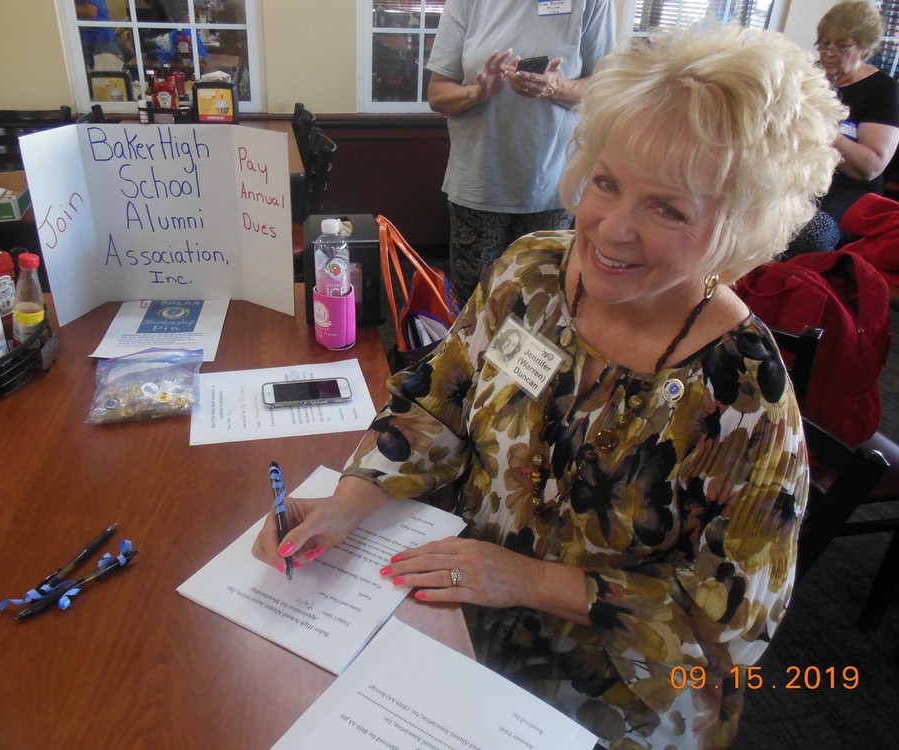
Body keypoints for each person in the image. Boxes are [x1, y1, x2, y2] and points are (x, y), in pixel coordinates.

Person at [254, 24, 845, 750]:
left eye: (668, 209)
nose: (610, 230)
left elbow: (730, 629)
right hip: (451, 607)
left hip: (608, 687)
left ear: (740, 227)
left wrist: (527, 581)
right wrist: (348, 502)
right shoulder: (531, 273)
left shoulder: (745, 397)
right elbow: (437, 400)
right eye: (607, 181)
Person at [425, 0, 616, 306]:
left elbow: (606, 90)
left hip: (552, 188)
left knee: (538, 308)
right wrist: (478, 92)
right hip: (478, 185)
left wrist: (556, 87)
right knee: (474, 305)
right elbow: (437, 94)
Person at [788, 0, 899, 255]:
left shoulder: (882, 89)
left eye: (842, 45)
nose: (829, 53)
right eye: (824, 44)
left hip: (848, 188)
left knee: (809, 232)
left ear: (864, 47)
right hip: (800, 175)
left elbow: (870, 167)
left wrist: (824, 128)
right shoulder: (809, 77)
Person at [75, 0, 123, 69]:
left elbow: (90, 11)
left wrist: (64, 11)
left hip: (100, 44)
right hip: (84, 43)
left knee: (106, 74)